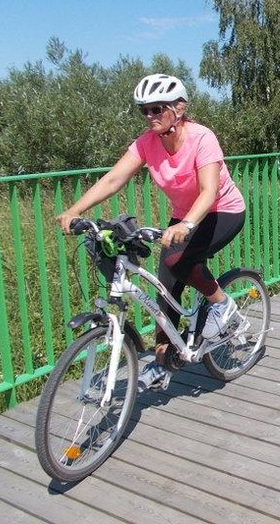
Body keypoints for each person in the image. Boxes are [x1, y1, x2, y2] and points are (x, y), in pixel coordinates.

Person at [56, 73, 247, 391]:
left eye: (157, 108)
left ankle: (221, 302)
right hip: (185, 216)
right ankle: (162, 363)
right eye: (144, 110)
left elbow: (209, 190)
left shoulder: (202, 138)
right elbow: (114, 179)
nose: (150, 116)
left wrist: (186, 225)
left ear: (180, 107)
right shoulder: (146, 143)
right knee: (166, 290)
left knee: (177, 262)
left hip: (222, 211)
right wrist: (75, 210)